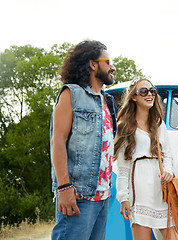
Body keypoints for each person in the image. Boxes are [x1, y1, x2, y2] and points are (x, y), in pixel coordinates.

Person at [50, 40, 117, 239]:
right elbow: (57, 141)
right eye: (108, 61)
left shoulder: (107, 101)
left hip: (103, 195)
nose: (112, 67)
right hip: (79, 194)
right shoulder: (72, 93)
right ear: (93, 64)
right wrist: (63, 187)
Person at [114, 78, 178, 240]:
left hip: (160, 185)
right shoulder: (124, 125)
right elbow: (122, 167)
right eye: (143, 91)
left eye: (152, 91)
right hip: (138, 184)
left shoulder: (158, 123)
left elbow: (167, 155)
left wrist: (169, 171)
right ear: (134, 97)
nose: (149, 94)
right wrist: (123, 198)